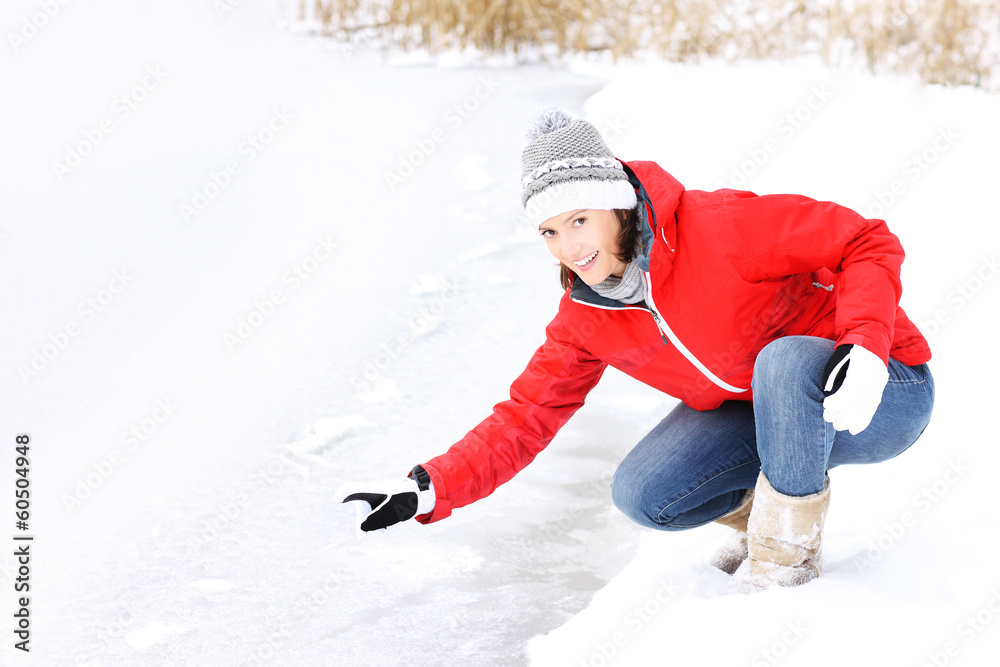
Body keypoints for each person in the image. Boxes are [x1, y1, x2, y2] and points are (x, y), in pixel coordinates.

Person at [336, 107, 935, 593]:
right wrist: (430, 486)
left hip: (880, 390)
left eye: (579, 220)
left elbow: (865, 239)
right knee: (645, 493)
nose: (568, 248)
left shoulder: (718, 227)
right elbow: (526, 415)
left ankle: (785, 564)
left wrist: (864, 345)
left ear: (615, 205)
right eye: (549, 232)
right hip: (764, 410)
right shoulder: (586, 318)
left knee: (780, 361)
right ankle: (768, 515)